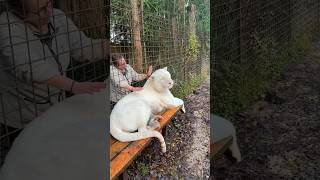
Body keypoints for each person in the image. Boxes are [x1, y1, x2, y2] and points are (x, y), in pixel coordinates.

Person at [0, 0, 108, 135]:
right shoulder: (6, 26)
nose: (48, 12)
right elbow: (30, 67)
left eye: (49, 4)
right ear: (20, 13)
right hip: (24, 117)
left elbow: (83, 48)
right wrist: (73, 86)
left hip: (56, 109)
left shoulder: (58, 17)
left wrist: (110, 48)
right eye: (40, 11)